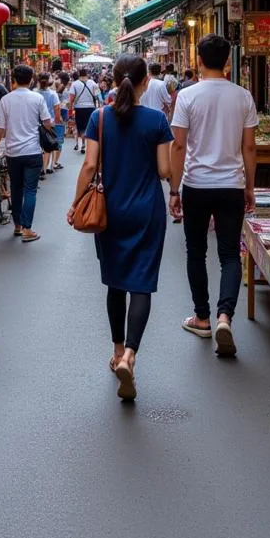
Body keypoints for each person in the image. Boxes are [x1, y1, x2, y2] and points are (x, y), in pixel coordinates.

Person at [68, 55, 172, 402]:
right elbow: (162, 171)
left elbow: (89, 165)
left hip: (110, 212)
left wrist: (75, 202)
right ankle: (131, 354)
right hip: (146, 211)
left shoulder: (99, 118)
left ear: (112, 81)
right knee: (141, 283)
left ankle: (116, 352)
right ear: (146, 82)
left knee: (115, 282)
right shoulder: (157, 119)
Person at [169, 35, 257, 358]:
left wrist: (174, 188)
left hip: (196, 184)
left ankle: (202, 317)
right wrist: (250, 186)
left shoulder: (187, 97)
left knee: (196, 251)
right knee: (230, 254)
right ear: (228, 61)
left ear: (199, 61)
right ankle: (225, 317)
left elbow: (178, 145)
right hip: (231, 184)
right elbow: (249, 146)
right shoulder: (243, 97)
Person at [0, 64, 52, 242]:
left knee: (16, 189)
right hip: (32, 151)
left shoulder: (6, 99)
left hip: (13, 152)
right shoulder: (37, 98)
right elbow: (48, 123)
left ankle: (18, 226)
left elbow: (0, 128)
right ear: (31, 79)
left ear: (14, 79)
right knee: (30, 190)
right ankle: (28, 229)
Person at [67, 66, 100, 154]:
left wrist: (70, 110)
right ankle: (86, 144)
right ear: (87, 74)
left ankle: (81, 144)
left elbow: (71, 98)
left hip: (79, 108)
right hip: (91, 108)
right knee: (89, 126)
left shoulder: (75, 84)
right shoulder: (92, 83)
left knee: (80, 127)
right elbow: (97, 96)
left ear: (78, 75)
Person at [38, 72, 63, 174]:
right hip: (51, 122)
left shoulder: (35, 93)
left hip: (37, 123)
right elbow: (57, 110)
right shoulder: (53, 94)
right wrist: (57, 122)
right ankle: (48, 166)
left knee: (41, 146)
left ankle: (43, 167)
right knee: (50, 145)